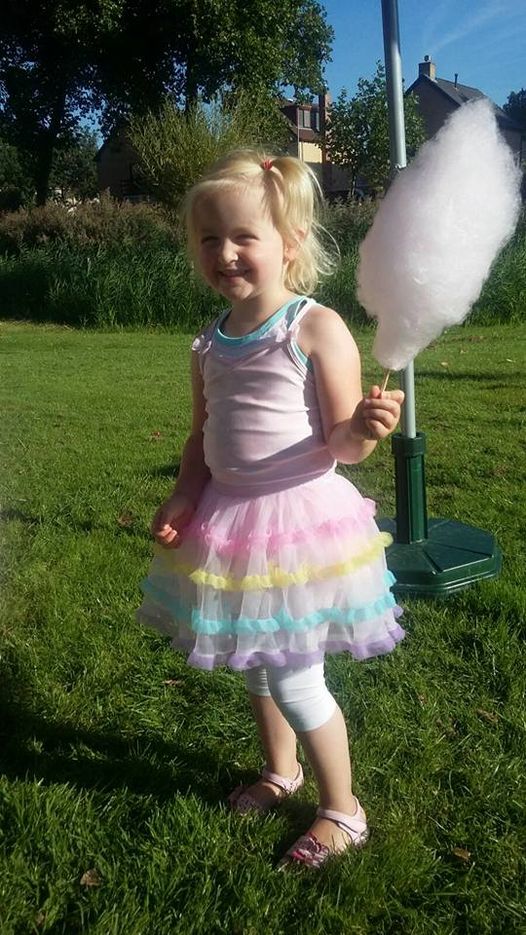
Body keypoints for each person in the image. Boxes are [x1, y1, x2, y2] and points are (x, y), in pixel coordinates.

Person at [137, 150, 405, 870]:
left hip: (296, 527)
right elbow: (200, 437)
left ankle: (343, 811)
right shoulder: (208, 343)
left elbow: (341, 443)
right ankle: (281, 770)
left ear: (289, 243)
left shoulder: (313, 327)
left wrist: (366, 429)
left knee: (293, 675)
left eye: (243, 236)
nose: (224, 253)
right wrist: (184, 492)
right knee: (255, 663)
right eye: (209, 239)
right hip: (231, 523)